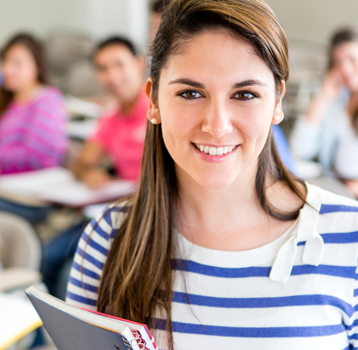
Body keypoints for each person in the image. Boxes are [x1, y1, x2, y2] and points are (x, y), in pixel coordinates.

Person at [67, 1, 358, 349]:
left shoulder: (348, 238)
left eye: (245, 94)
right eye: (190, 93)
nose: (217, 126)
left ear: (277, 102)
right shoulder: (107, 239)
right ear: (154, 101)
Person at [0, 33, 68, 224]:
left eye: (17, 63)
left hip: (33, 196)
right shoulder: (8, 102)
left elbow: (35, 155)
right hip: (8, 190)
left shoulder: (47, 99)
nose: (7, 69)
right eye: (5, 61)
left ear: (36, 66)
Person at [71, 36, 147, 189]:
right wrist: (89, 174)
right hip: (125, 200)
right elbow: (81, 164)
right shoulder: (111, 116)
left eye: (119, 65)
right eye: (103, 69)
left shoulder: (160, 107)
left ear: (139, 64)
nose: (113, 77)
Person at [290, 27, 358, 196]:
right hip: (334, 181)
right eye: (337, 62)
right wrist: (322, 98)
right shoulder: (337, 102)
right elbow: (300, 149)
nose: (345, 69)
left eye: (351, 59)